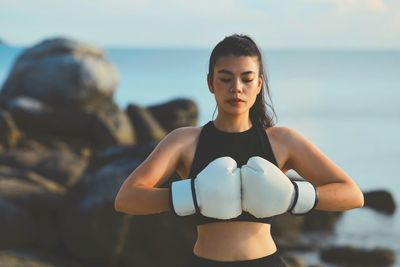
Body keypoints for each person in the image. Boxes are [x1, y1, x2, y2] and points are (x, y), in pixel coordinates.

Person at [114, 34, 364, 267]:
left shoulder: (282, 141)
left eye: (247, 78)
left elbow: (352, 194)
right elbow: (127, 199)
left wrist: (293, 196)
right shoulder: (184, 141)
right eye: (225, 78)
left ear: (258, 84)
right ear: (211, 82)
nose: (236, 87)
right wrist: (191, 195)